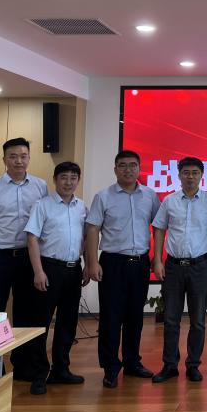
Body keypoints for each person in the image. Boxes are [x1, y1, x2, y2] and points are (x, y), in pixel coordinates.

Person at [0, 137, 48, 383]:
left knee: (26, 313)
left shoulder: (40, 186)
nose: (18, 161)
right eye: (13, 156)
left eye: (23, 156)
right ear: (4, 159)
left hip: (28, 258)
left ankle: (23, 366)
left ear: (29, 158)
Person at [85, 150, 161, 389]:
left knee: (135, 316)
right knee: (111, 317)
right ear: (115, 169)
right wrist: (92, 262)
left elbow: (159, 227)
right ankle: (110, 367)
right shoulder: (103, 196)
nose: (128, 170)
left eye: (132, 165)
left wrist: (158, 258)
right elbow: (92, 229)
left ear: (139, 168)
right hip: (112, 263)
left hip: (140, 263)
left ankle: (132, 362)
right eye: (122, 165)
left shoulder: (150, 196)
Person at [151, 157, 207, 383]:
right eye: (186, 172)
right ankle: (169, 365)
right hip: (173, 267)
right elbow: (159, 229)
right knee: (171, 320)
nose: (190, 176)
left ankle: (193, 365)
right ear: (179, 175)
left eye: (194, 172)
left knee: (198, 321)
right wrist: (157, 260)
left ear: (202, 175)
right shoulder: (169, 201)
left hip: (199, 267)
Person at [24, 161, 89, 396]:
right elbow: (32, 238)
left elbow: (86, 238)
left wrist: (87, 265)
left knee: (67, 322)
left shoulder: (82, 207)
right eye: (64, 177)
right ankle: (39, 374)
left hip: (73, 270)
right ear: (55, 180)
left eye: (73, 178)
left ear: (78, 181)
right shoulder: (43, 205)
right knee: (40, 323)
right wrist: (38, 271)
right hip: (49, 268)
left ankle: (61, 369)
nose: (68, 182)